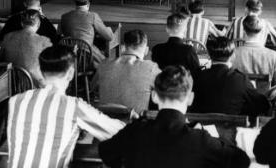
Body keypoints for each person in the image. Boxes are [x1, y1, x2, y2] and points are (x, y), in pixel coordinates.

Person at [98, 65, 250, 168]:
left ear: (154, 97)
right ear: (190, 98)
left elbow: (106, 153)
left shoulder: (134, 131)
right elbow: (242, 161)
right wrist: (213, 138)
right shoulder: (202, 140)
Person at [7, 46, 124, 168]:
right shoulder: (73, 106)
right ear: (71, 74)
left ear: (41, 71)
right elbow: (117, 132)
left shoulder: (15, 101)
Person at [191, 36, 270, 118]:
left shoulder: (198, 76)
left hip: (200, 126)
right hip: (232, 128)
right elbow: (263, 106)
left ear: (209, 55)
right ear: (232, 56)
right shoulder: (240, 79)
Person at [92, 30, 161, 113]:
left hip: (105, 120)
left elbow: (92, 87)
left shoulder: (104, 64)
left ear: (123, 47)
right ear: (146, 50)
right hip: (135, 123)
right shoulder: (151, 68)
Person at [0, 9, 52, 87]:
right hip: (35, 84)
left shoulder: (7, 37)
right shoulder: (44, 41)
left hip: (10, 83)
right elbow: (51, 66)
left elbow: (0, 59)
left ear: (22, 23)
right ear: (38, 23)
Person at [59, 0, 113, 67]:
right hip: (86, 56)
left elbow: (60, 34)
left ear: (75, 3)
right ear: (88, 4)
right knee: (106, 64)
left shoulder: (64, 17)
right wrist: (108, 29)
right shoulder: (93, 16)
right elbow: (109, 37)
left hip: (68, 55)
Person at [232, 15, 276, 86]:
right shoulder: (274, 55)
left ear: (244, 31)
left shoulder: (233, 53)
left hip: (239, 95)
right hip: (264, 95)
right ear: (262, 31)